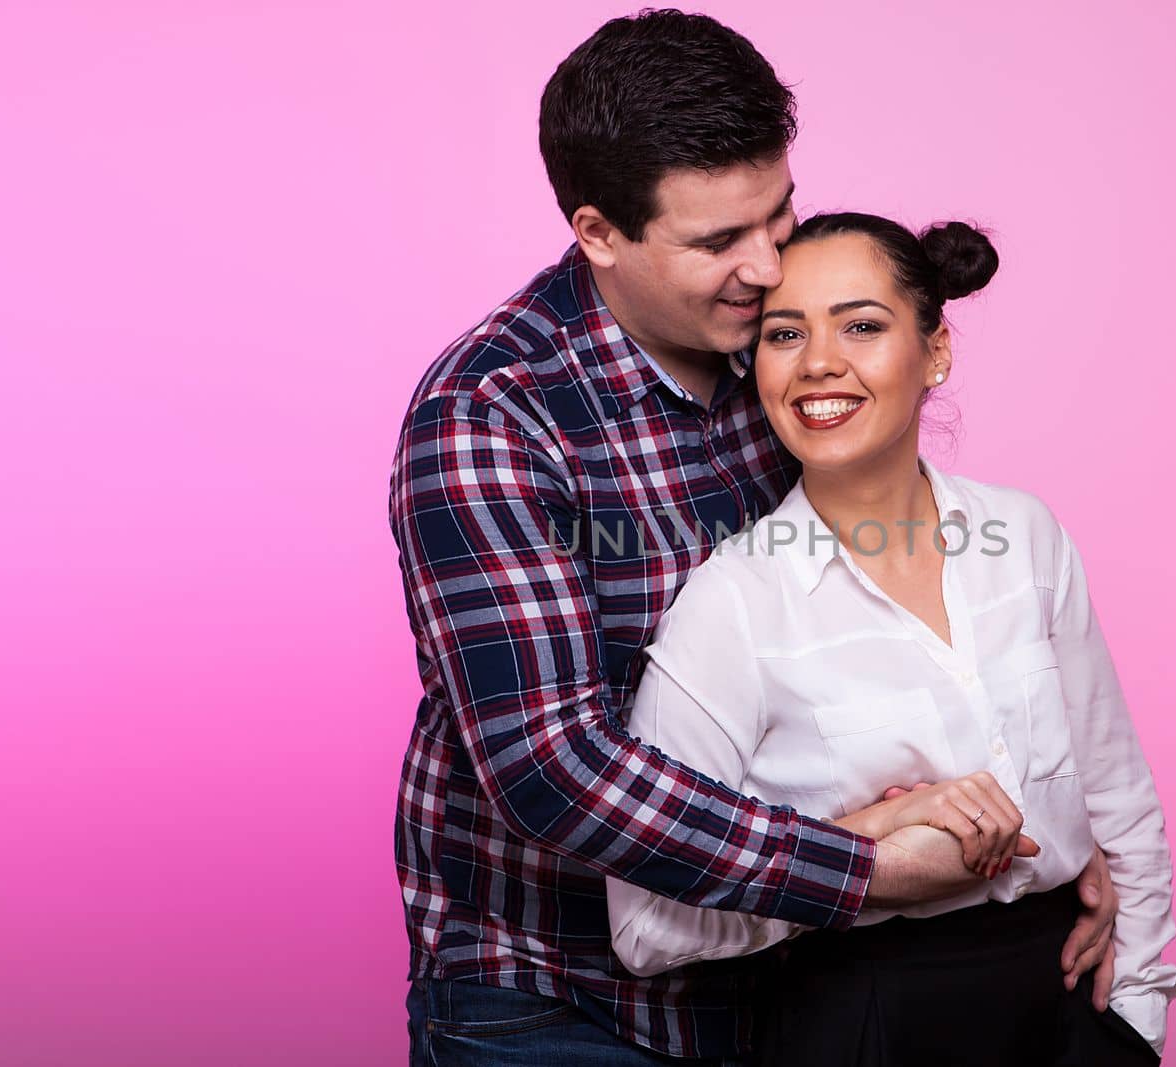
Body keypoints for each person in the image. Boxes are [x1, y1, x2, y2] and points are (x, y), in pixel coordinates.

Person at [390, 11, 1119, 1065]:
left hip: (796, 976)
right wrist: (855, 864)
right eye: (717, 243)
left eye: (776, 214)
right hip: (559, 994)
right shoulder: (491, 417)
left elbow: (891, 603)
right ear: (598, 233)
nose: (768, 264)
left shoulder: (782, 343)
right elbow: (551, 765)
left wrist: (1049, 847)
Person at [607, 213, 1176, 1065]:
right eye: (784, 333)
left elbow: (1117, 795)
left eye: (863, 325)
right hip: (859, 1020)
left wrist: (1135, 1020)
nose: (819, 363)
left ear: (937, 350)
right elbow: (647, 925)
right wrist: (862, 842)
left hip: (1063, 1007)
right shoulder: (734, 604)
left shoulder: (1023, 535)